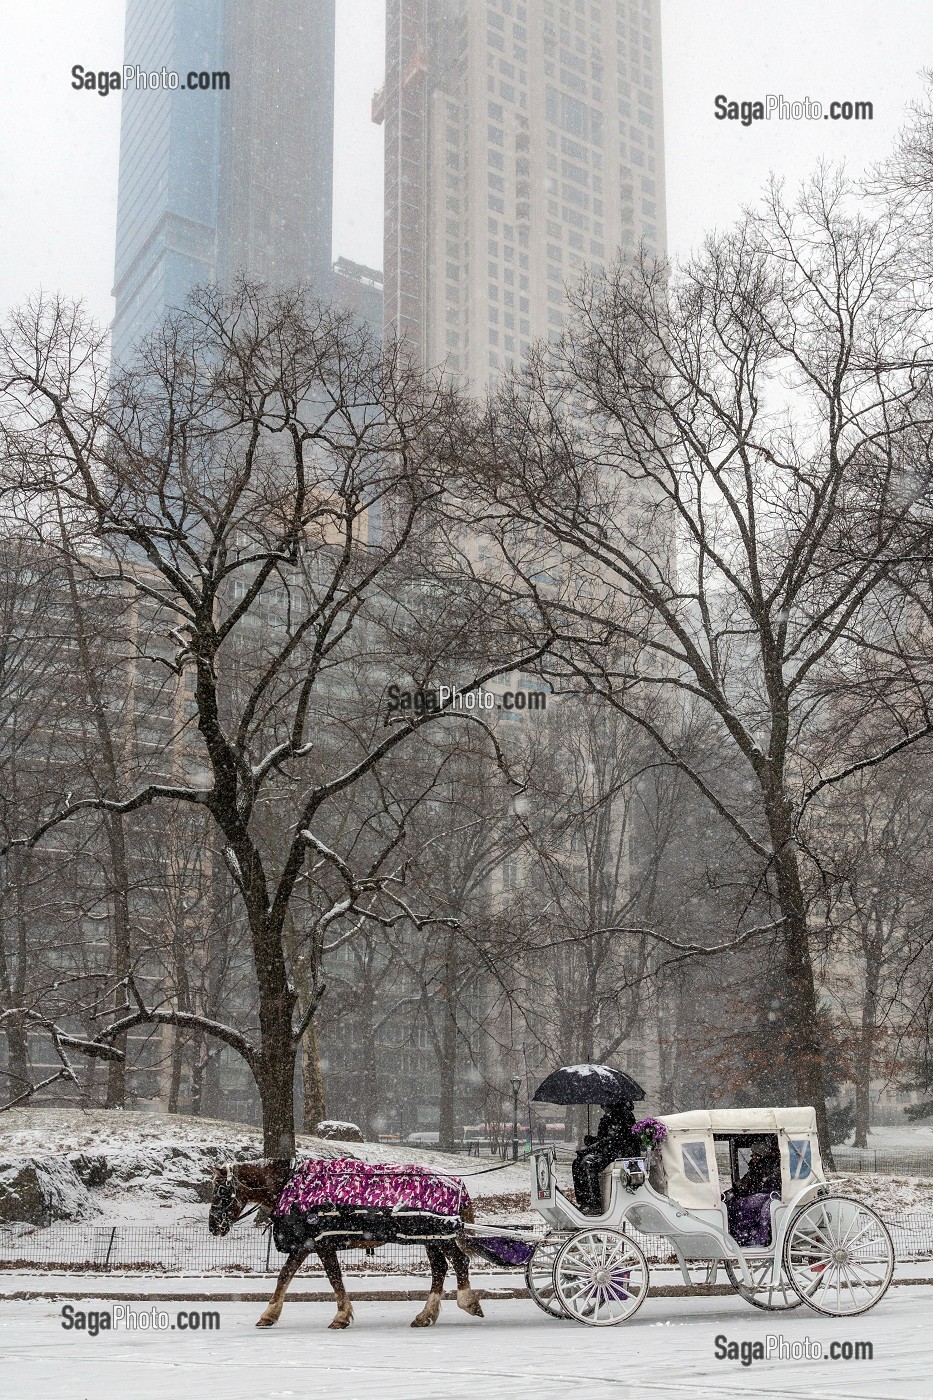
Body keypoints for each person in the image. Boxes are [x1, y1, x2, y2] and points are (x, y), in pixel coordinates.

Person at [571, 1100, 640, 1214]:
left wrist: (590, 1148)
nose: (601, 1106)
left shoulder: (622, 1116)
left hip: (621, 1154)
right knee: (577, 1163)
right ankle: (584, 1201)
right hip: (610, 1152)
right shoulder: (609, 1117)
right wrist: (591, 1140)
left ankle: (593, 1202)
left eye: (604, 1104)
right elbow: (604, 1140)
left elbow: (612, 1141)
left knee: (588, 1164)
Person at [724, 1137, 782, 1246]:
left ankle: (751, 1238)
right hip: (757, 1192)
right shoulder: (755, 1166)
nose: (752, 1156)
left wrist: (745, 1187)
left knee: (742, 1206)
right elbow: (745, 1182)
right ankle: (738, 1235)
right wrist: (735, 1189)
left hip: (768, 1195)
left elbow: (763, 1182)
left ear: (761, 1155)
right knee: (732, 1203)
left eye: (754, 1154)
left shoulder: (768, 1166)